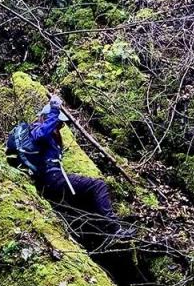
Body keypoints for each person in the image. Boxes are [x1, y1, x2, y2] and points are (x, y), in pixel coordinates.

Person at [29, 95, 135, 238]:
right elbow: (41, 135)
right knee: (98, 185)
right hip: (53, 180)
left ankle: (104, 237)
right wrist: (54, 111)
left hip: (54, 180)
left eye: (61, 124)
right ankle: (114, 229)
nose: (60, 127)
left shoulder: (48, 134)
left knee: (86, 200)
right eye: (58, 123)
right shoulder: (37, 129)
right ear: (47, 119)